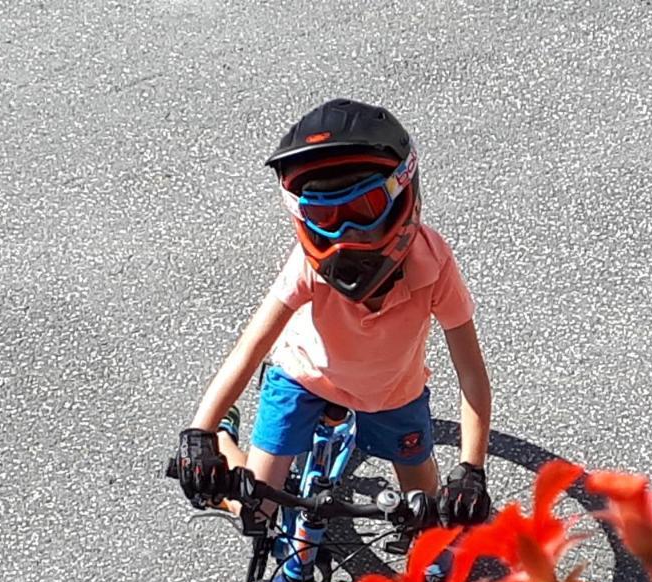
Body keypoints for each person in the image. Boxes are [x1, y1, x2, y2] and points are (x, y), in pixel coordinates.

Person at [174, 98, 492, 528]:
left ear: (402, 193)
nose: (345, 236)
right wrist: (202, 432)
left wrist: (471, 470)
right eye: (325, 215)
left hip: (393, 393)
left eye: (361, 211)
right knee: (256, 514)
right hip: (303, 376)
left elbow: (471, 373)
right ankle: (227, 437)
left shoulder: (432, 264)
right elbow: (250, 349)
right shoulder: (307, 266)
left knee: (427, 514)